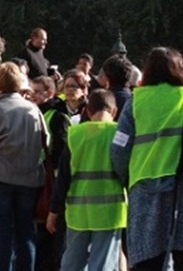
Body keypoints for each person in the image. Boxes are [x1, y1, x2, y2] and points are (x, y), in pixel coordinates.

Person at [111, 47, 183, 270]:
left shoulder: (135, 101)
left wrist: (127, 178)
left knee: (148, 260)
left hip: (146, 189)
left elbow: (119, 147)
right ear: (180, 69)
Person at [0, 62, 47, 271]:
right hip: (31, 178)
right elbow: (46, 142)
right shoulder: (33, 109)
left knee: (2, 233)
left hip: (1, 177)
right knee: (26, 232)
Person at [46, 89, 125, 271]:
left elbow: (63, 177)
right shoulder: (119, 134)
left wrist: (54, 211)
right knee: (103, 263)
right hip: (110, 212)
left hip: (78, 211)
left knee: (72, 262)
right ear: (114, 112)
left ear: (88, 112)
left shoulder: (75, 135)